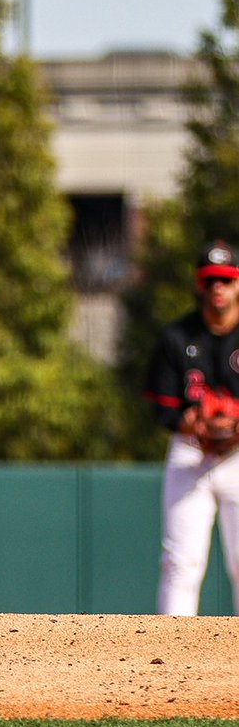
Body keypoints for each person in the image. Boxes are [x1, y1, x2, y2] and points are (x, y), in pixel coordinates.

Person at [145, 240, 239, 615]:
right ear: (199, 285)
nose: (218, 287)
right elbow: (162, 407)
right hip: (191, 453)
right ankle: (169, 660)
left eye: (226, 279)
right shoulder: (177, 337)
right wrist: (190, 420)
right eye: (210, 279)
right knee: (181, 563)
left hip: (238, 459)